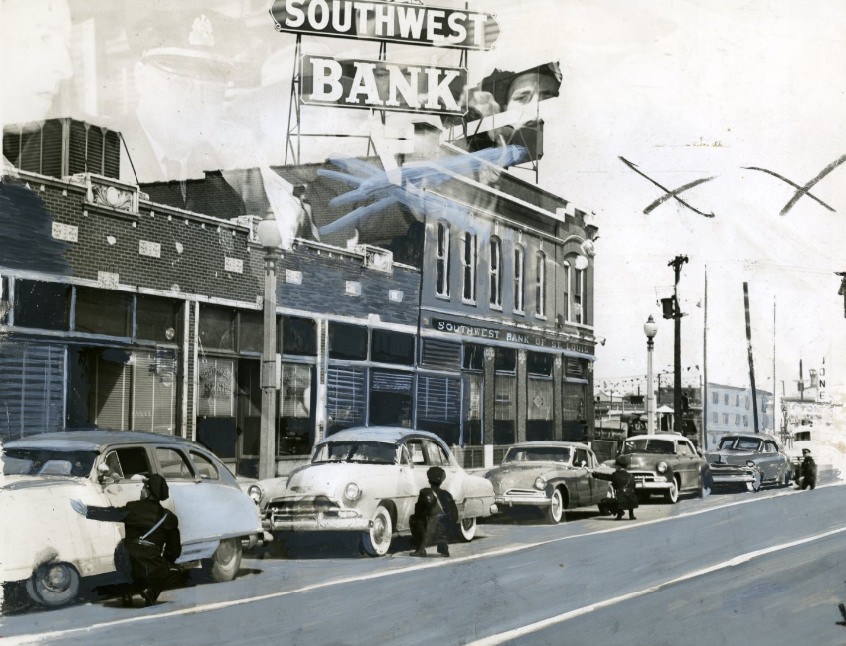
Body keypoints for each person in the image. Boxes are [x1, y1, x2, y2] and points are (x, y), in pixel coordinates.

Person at [71, 474, 181, 606]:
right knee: (172, 569)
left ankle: (127, 591)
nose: (141, 491)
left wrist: (87, 511)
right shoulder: (168, 517)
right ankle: (151, 591)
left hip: (130, 560)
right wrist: (165, 564)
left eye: (143, 488)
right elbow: (174, 550)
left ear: (147, 492)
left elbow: (112, 513)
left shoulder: (133, 508)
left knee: (122, 548)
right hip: (152, 562)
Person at [409, 466, 458, 557]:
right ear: (442, 481)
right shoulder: (447, 494)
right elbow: (455, 516)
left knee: (414, 519)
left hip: (432, 527)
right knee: (441, 519)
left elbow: (418, 512)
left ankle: (420, 548)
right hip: (448, 528)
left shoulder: (424, 493)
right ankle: (443, 547)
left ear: (429, 481)